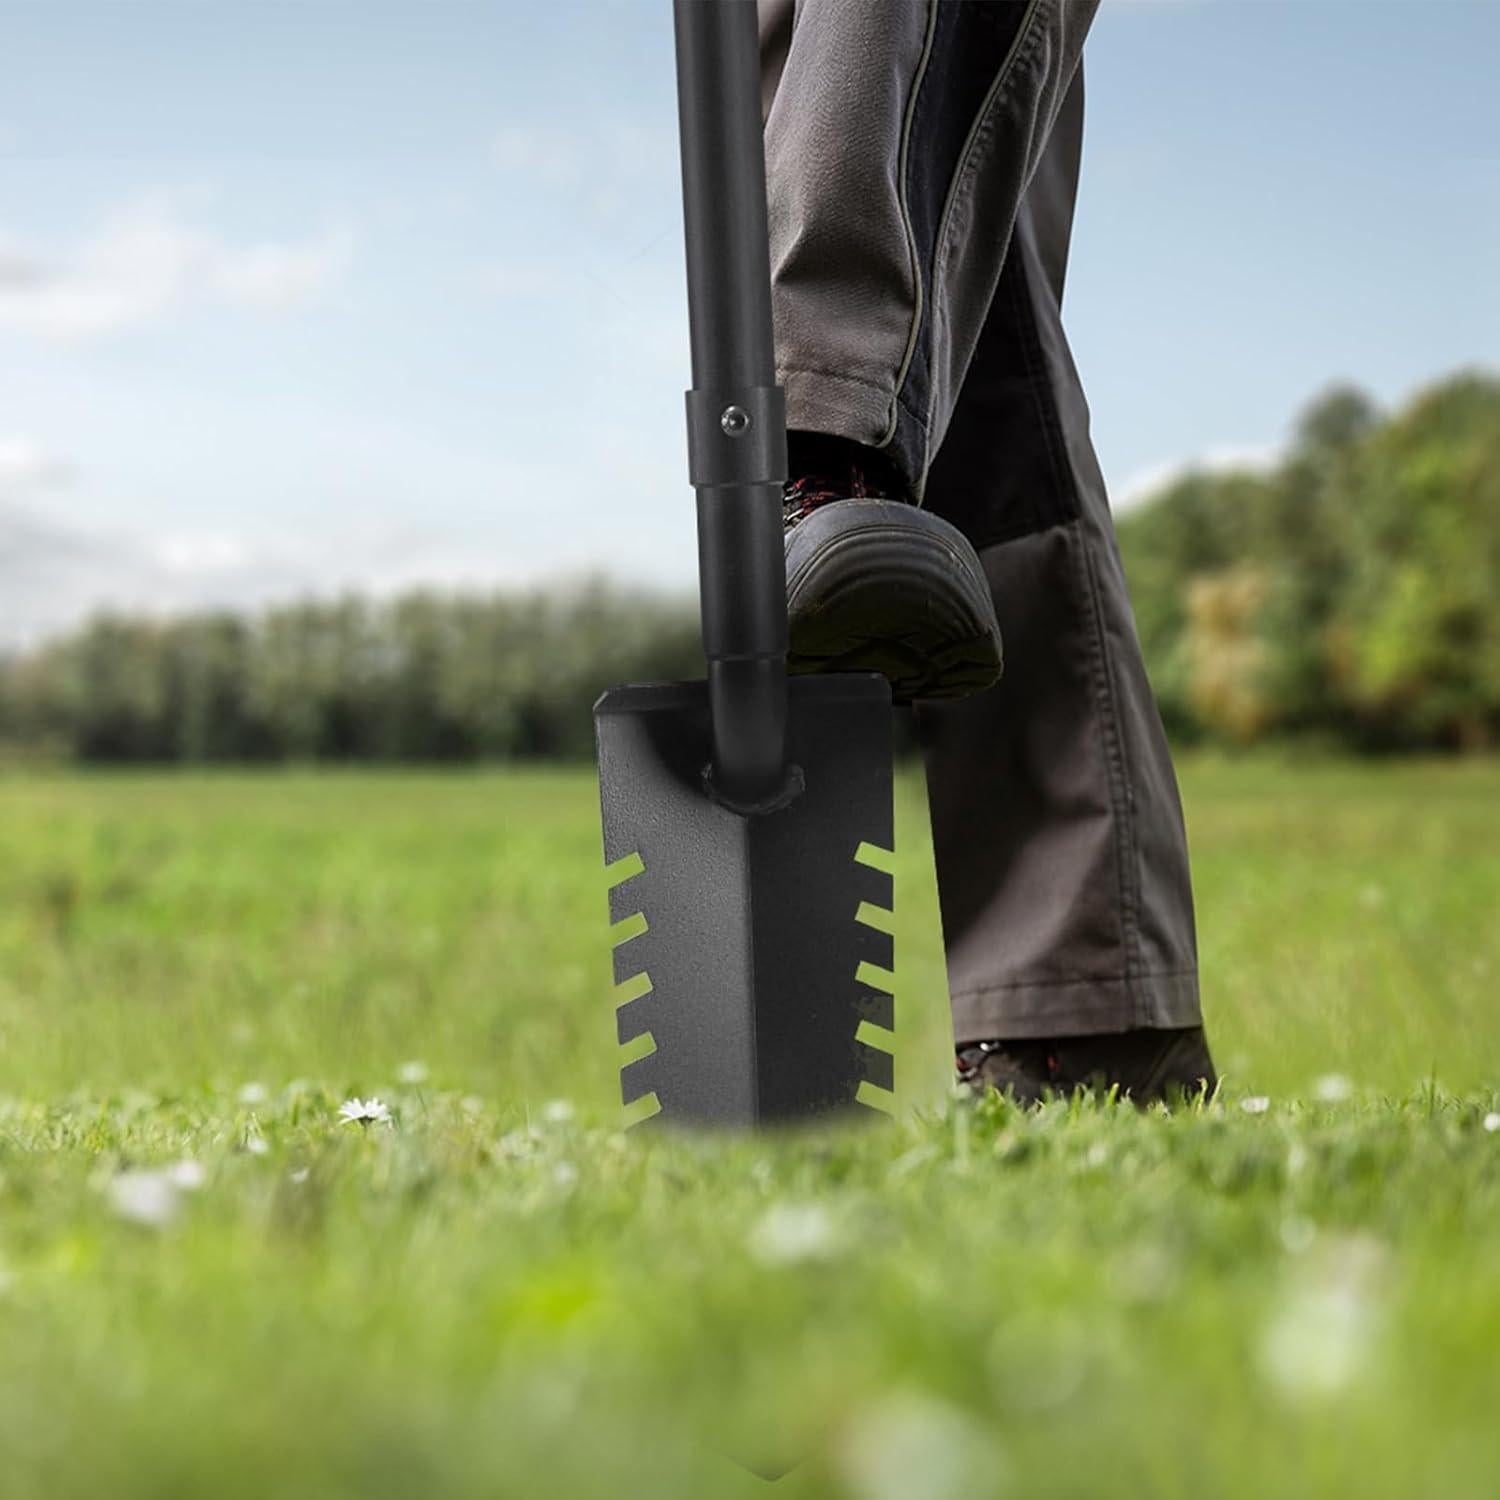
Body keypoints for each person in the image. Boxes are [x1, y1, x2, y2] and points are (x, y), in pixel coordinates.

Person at [758, 0, 1216, 1103]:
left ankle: (819, 438)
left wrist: (811, 407)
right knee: (962, 254)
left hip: (802, 425)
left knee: (909, 86)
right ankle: (1085, 1012)